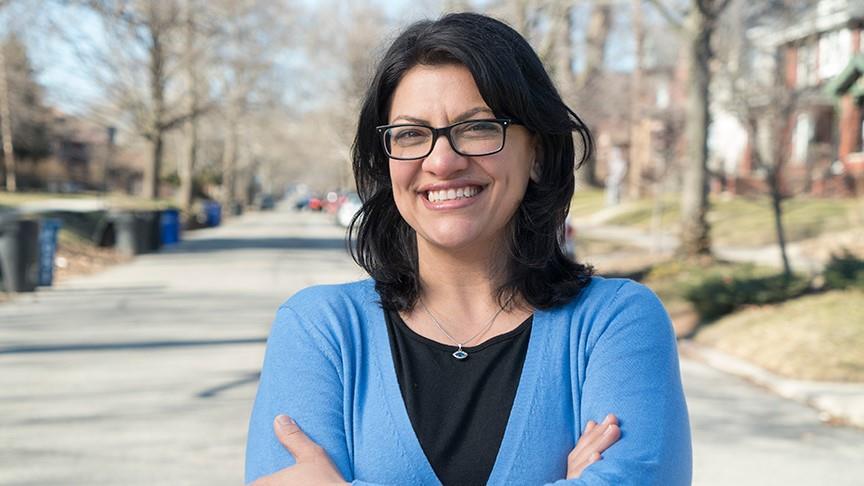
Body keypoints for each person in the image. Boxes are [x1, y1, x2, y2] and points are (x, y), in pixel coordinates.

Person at [245, 12, 691, 486]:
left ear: (536, 153)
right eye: (411, 134)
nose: (441, 161)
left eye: (477, 128)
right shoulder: (321, 331)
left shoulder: (615, 323)